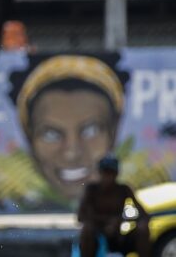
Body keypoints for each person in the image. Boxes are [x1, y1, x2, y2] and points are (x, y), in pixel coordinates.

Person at [15, 55, 124, 201]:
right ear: (29, 136)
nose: (71, 153)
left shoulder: (122, 193)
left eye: (90, 131)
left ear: (114, 132)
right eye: (51, 134)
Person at [78, 155, 150, 257]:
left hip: (118, 236)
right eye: (105, 173)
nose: (108, 177)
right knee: (87, 229)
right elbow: (80, 216)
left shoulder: (123, 190)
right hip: (97, 237)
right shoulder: (92, 190)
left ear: (116, 174)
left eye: (111, 173)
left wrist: (120, 221)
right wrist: (106, 222)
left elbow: (144, 215)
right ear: (100, 173)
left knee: (143, 229)